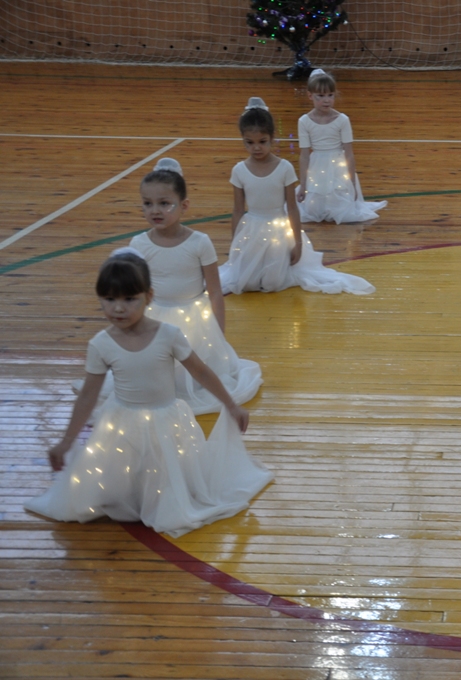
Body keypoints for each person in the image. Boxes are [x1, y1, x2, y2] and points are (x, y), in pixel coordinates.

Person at [25, 252, 273, 537]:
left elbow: (201, 372)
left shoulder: (168, 335)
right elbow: (87, 397)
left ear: (149, 296)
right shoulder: (101, 345)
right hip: (121, 425)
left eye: (130, 299)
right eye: (109, 299)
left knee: (166, 478)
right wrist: (66, 442)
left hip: (166, 422)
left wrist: (231, 405)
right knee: (125, 475)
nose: (119, 308)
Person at [127, 159, 262, 414]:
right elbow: (136, 293)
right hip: (156, 320)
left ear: (184, 205)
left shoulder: (199, 242)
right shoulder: (139, 245)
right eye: (147, 203)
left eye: (164, 203)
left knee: (196, 369)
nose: (155, 210)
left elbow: (216, 292)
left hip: (195, 321)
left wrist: (219, 334)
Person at [218, 97, 376, 296]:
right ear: (243, 139)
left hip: (278, 232)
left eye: (262, 142)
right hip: (252, 232)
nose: (256, 148)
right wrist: (236, 242)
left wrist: (297, 244)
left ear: (272, 138)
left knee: (272, 283)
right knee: (247, 283)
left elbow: (292, 208)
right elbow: (238, 210)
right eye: (249, 142)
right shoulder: (239, 170)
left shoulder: (284, 168)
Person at [297, 69, 387, 224]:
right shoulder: (304, 121)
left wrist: (352, 184)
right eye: (320, 96)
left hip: (338, 167)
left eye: (330, 95)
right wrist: (303, 185)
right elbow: (304, 155)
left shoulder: (342, 120)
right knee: (313, 209)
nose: (326, 100)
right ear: (310, 95)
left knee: (342, 207)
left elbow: (349, 153)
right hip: (317, 167)